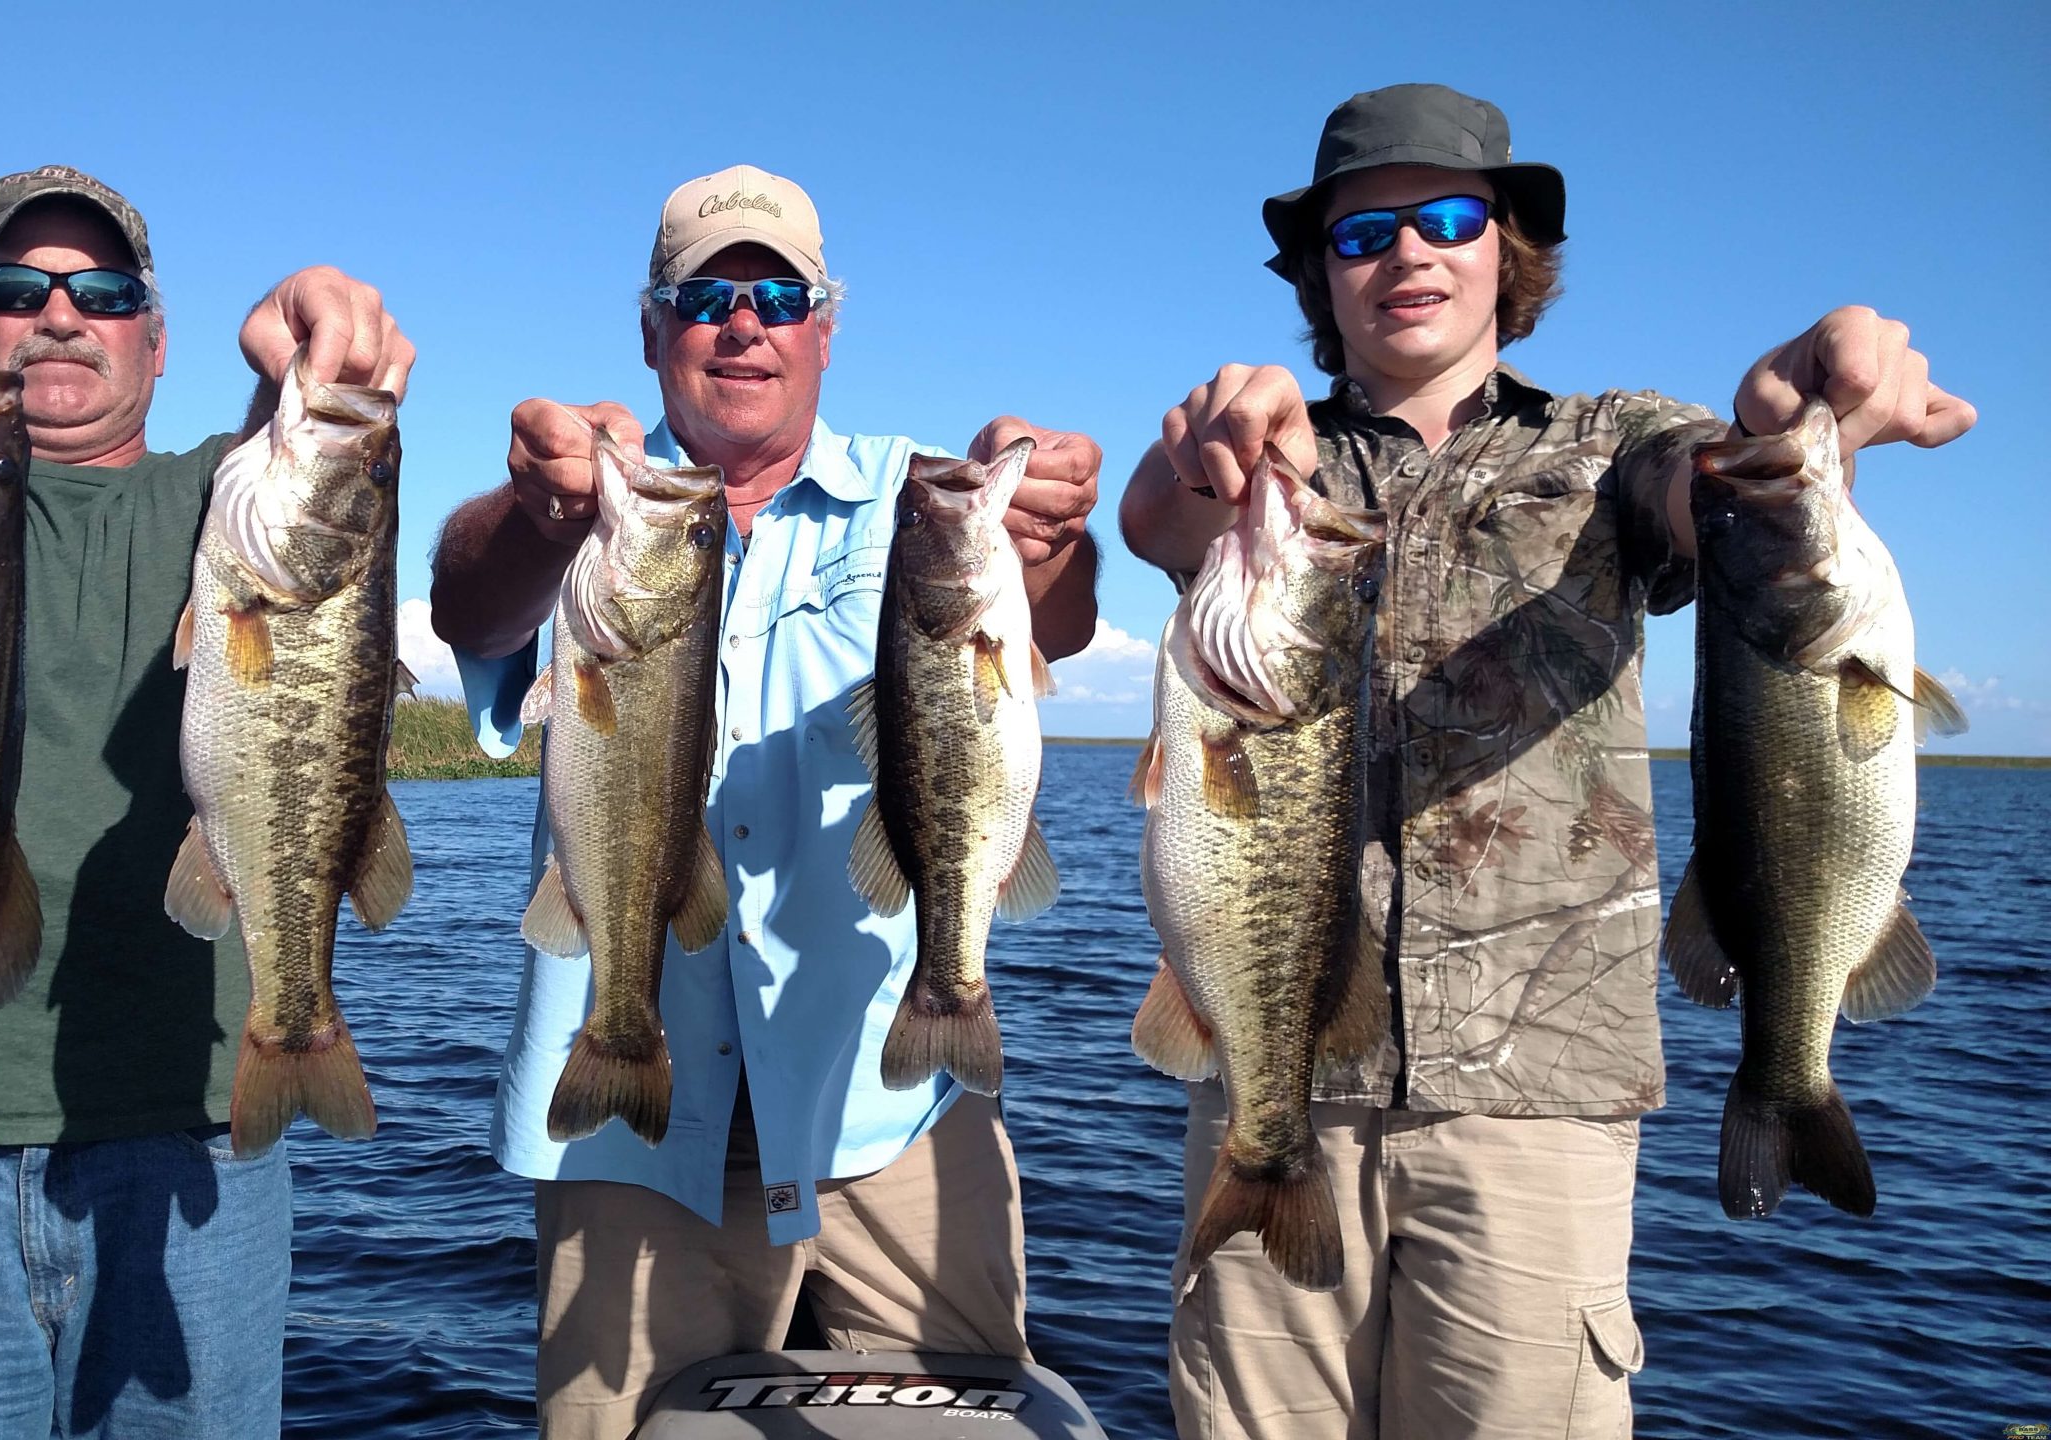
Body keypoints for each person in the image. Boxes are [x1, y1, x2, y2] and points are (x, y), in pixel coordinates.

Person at [1116, 85, 1974, 1439]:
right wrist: (1217, 445)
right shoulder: (1277, 475)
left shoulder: (1614, 446)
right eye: (1361, 235)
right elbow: (1157, 518)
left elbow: (1720, 487)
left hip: (1540, 1106)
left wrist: (1786, 404)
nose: (1407, 255)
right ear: (1318, 276)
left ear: (1506, 252)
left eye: (1449, 220)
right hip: (1285, 1080)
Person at [0, 164, 415, 1439]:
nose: (56, 314)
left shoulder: (220, 502)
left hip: (190, 1139)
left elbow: (317, 480)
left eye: (100, 292)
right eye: (11, 287)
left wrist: (321, 350)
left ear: (156, 342)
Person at [429, 164, 1102, 1438]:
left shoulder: (921, 499)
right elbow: (469, 605)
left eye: (779, 295)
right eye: (705, 296)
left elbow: (1051, 616)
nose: (744, 323)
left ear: (824, 328)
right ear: (651, 330)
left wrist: (1054, 535)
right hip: (629, 1138)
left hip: (890, 1112)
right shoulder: (592, 506)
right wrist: (534, 513)